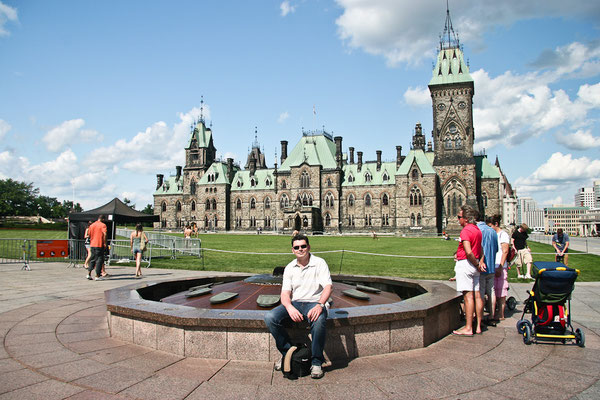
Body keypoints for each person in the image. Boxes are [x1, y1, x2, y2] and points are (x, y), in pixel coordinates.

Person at [264, 233, 333, 379]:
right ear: (293, 250)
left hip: (314, 303)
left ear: (308, 247)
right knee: (270, 317)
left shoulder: (319, 263)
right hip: (295, 303)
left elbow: (328, 287)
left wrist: (320, 305)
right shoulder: (290, 267)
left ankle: (316, 362)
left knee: (319, 320)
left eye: (303, 246)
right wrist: (289, 307)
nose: (300, 249)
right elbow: (285, 294)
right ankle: (288, 354)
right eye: (297, 247)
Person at [452, 205, 484, 336]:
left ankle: (468, 327)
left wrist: (476, 264)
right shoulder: (477, 230)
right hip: (474, 266)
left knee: (468, 297)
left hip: (466, 264)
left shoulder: (466, 231)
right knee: (477, 296)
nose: (458, 220)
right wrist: (480, 263)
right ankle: (478, 326)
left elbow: (468, 251)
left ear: (465, 219)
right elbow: (481, 251)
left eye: (459, 217)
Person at [477, 214, 498, 327]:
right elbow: (496, 249)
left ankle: (479, 318)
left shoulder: (478, 230)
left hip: (481, 266)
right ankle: (492, 316)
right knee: (491, 292)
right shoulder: (492, 231)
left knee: (480, 292)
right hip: (491, 265)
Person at [489, 214, 509, 321]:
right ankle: (494, 312)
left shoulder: (503, 235)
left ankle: (501, 313)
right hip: (493, 265)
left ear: (496, 224)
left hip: (500, 266)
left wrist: (500, 267)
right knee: (494, 290)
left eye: (491, 225)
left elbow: (505, 251)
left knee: (501, 291)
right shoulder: (493, 234)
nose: (489, 228)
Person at [86, 215, 107, 281]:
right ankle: (97, 275)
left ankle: (88, 274)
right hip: (99, 244)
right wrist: (105, 242)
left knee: (92, 259)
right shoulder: (103, 225)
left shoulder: (92, 225)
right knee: (99, 260)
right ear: (103, 219)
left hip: (92, 244)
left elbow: (89, 234)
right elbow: (105, 234)